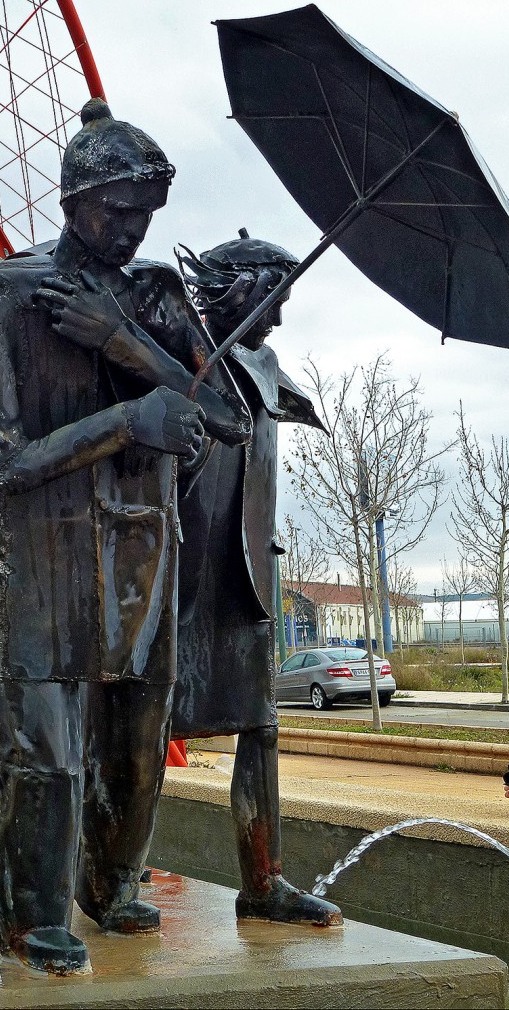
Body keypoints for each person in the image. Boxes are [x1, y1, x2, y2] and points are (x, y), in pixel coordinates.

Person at [0, 98, 249, 974]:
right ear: (71, 198)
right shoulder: (5, 292)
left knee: (133, 747)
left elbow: (228, 416)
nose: (130, 230)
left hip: (141, 555)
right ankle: (29, 917)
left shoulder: (155, 293)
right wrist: (130, 419)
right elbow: (8, 463)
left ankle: (111, 886)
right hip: (42, 558)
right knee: (44, 753)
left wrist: (127, 344)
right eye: (115, 210)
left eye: (146, 215)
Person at [168, 232, 342, 926]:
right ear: (238, 286)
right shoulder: (176, 348)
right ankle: (103, 880)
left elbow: (289, 406)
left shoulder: (262, 359)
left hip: (244, 572)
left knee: (260, 726)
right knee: (134, 729)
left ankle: (262, 881)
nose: (278, 316)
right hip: (178, 566)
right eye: (275, 297)